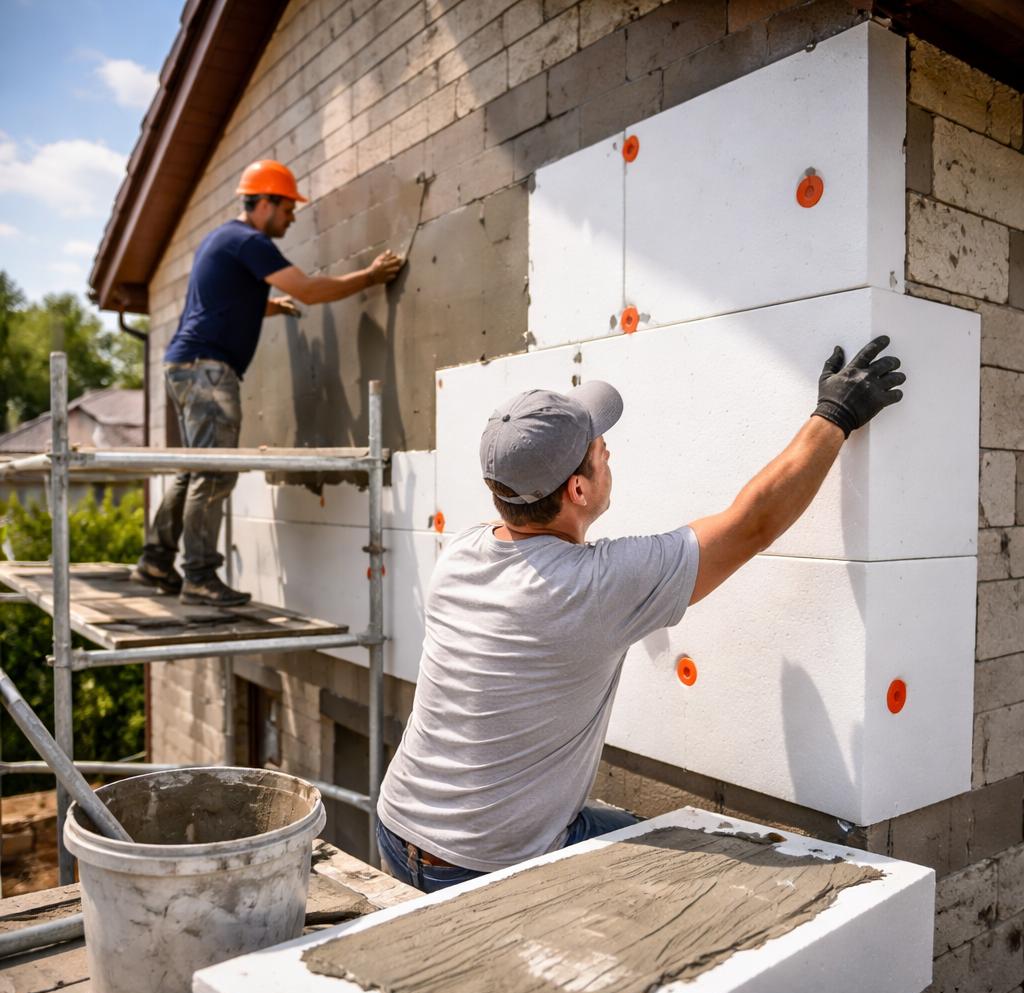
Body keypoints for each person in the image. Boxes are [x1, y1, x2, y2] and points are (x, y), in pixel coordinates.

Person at [376, 337, 905, 892]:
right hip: (486, 862)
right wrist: (835, 416)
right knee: (679, 883)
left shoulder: (462, 552)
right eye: (598, 449)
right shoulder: (594, 587)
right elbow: (752, 524)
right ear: (578, 489)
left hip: (398, 823)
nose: (607, 452)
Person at [132, 159, 404, 606]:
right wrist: (370, 277)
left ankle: (155, 562)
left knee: (194, 470)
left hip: (184, 365)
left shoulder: (221, 238)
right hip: (208, 370)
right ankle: (198, 576)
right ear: (264, 203)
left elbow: (227, 300)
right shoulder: (250, 242)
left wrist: (271, 307)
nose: (292, 218)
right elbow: (309, 289)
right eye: (288, 208)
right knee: (214, 472)